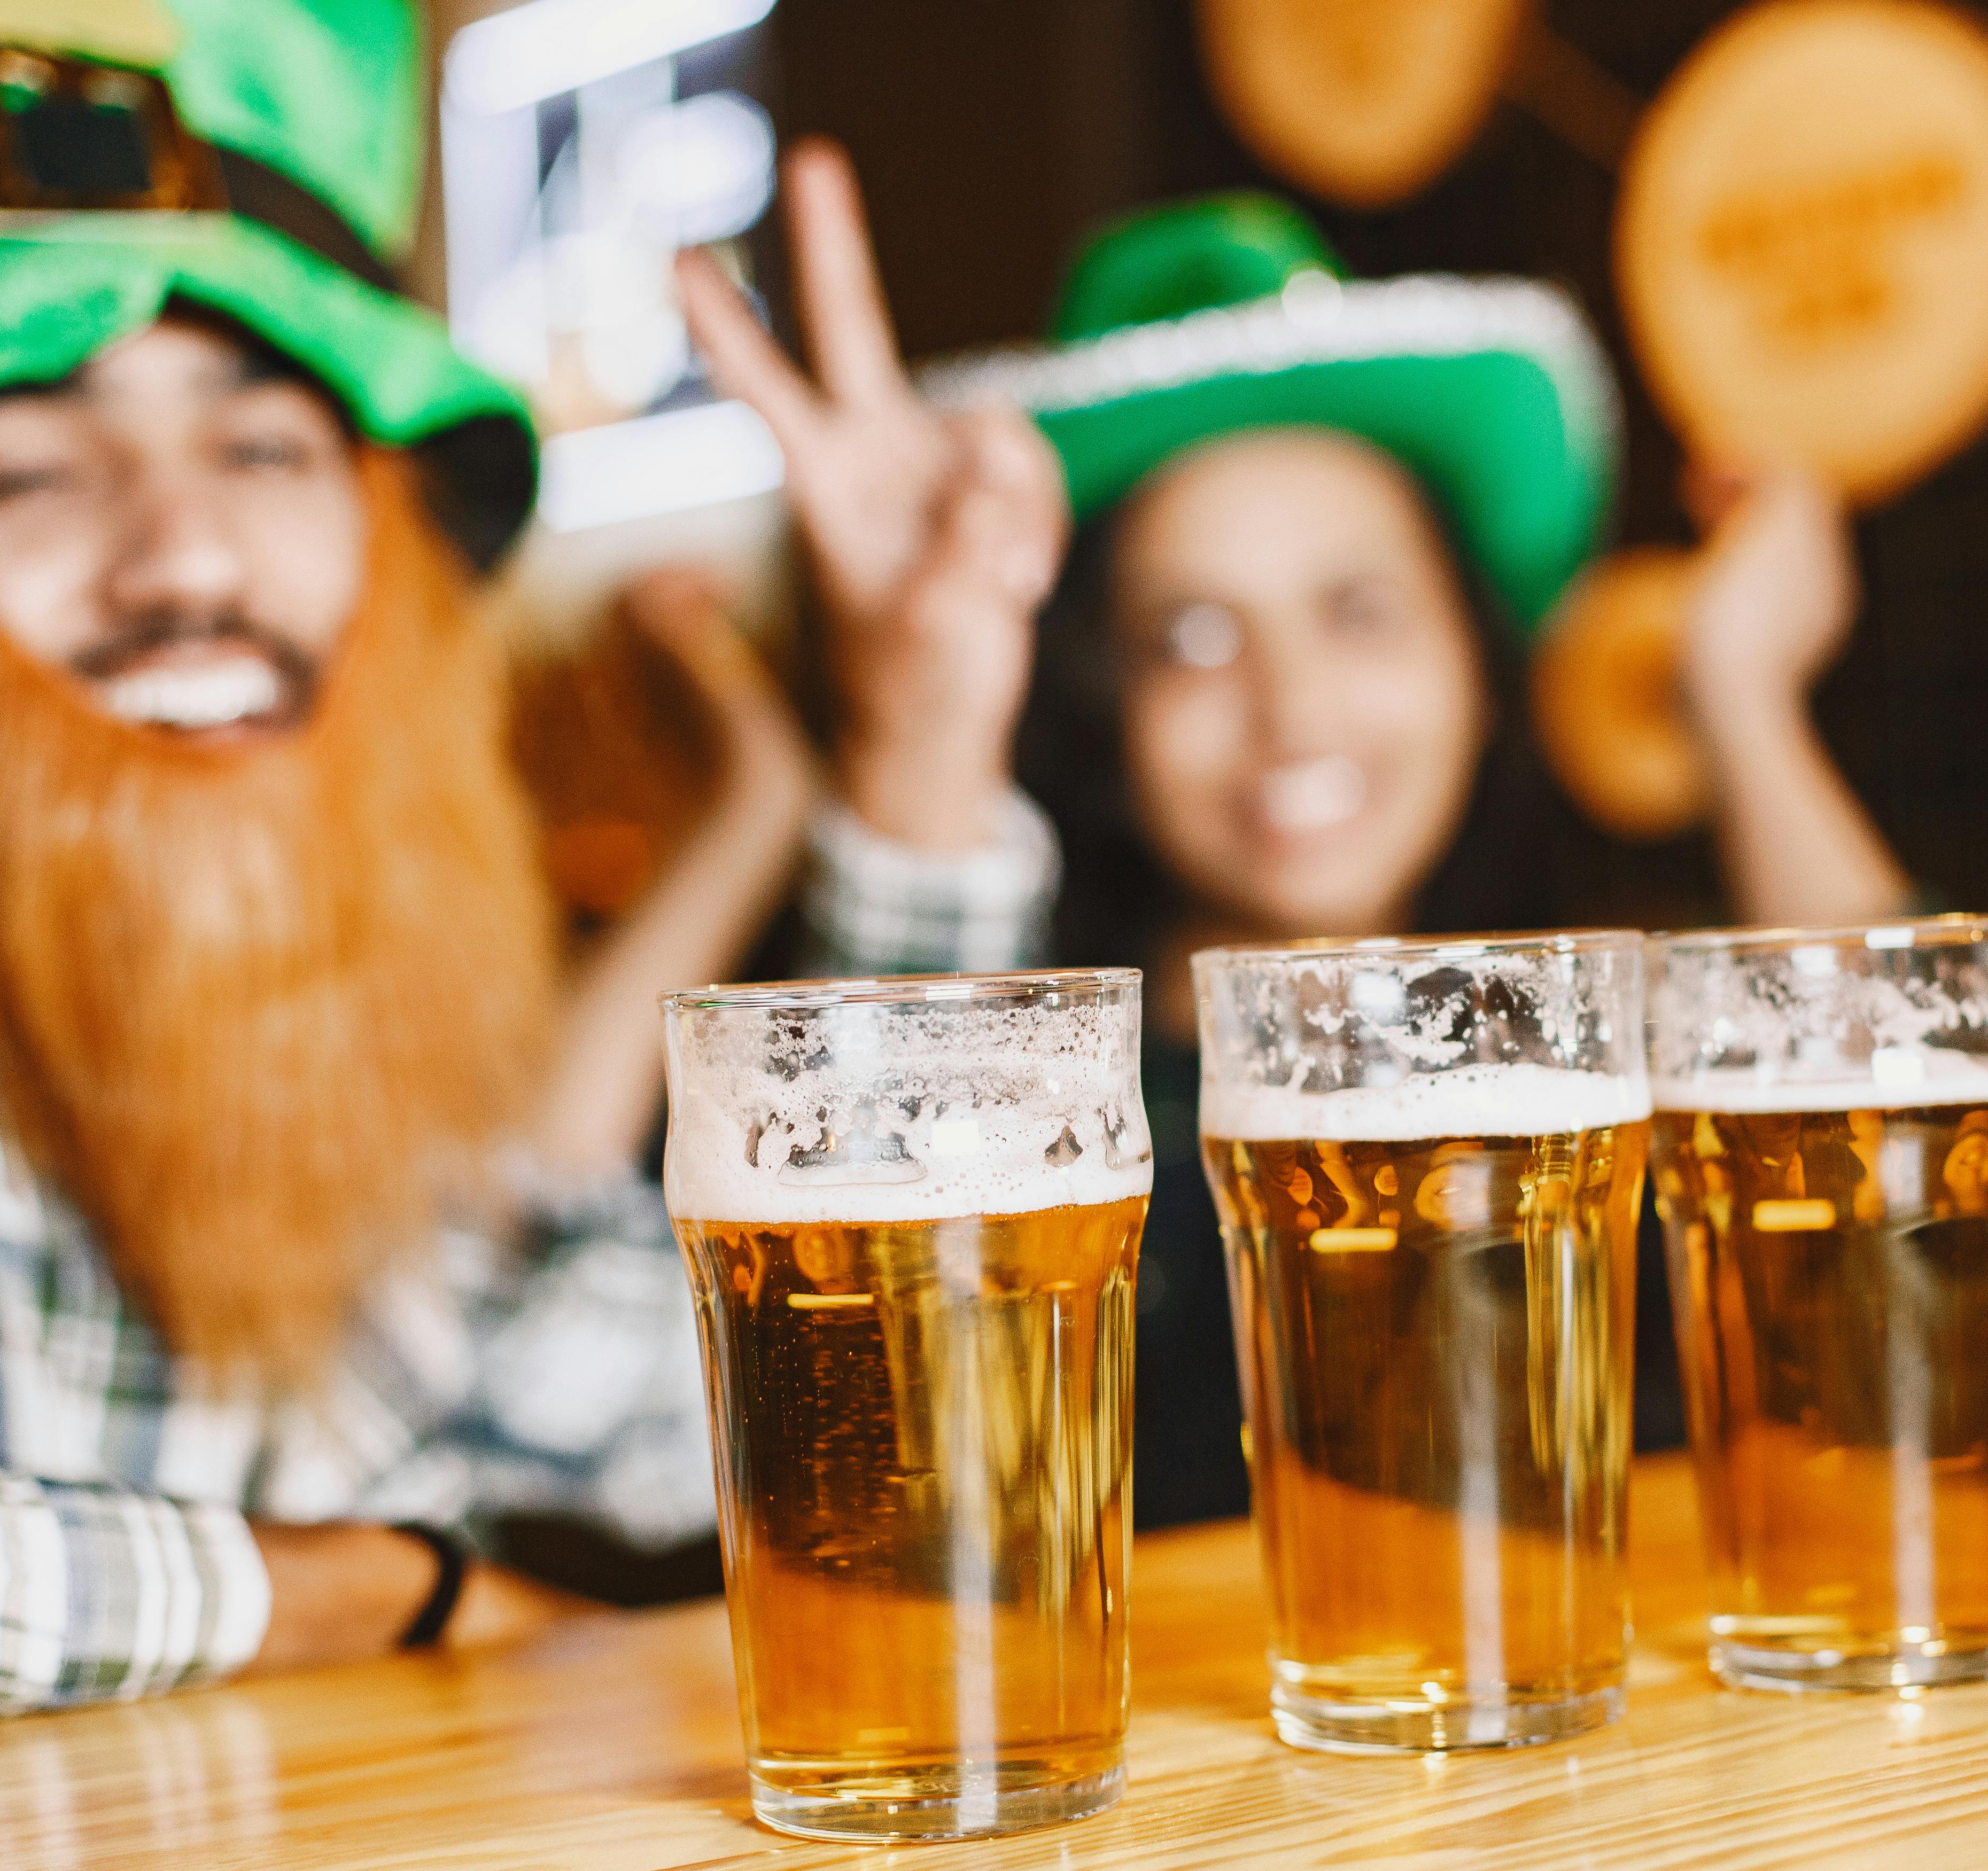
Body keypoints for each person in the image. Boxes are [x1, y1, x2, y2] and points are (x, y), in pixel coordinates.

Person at [0, 0, 808, 1758]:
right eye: (17, 467)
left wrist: (890, 783)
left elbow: (702, 1411)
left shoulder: (290, 1073)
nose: (190, 558)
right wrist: (316, 1593)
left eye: (264, 448)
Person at [676, 146, 1912, 1527]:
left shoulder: (1592, 1057)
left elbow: (1903, 1285)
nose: (1294, 706)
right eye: (1189, 640)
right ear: (1098, 703)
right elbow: (867, 1448)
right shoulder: (1030, 1129)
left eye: (1360, 607)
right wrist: (926, 724)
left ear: (1472, 655)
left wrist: (1743, 699)